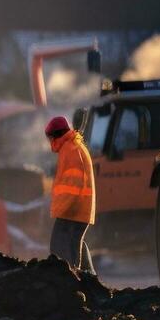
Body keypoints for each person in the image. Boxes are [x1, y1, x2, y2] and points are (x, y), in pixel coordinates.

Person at [44, 115, 96, 274]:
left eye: (50, 138)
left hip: (72, 211)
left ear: (55, 136)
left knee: (60, 249)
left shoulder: (70, 150)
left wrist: (61, 209)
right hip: (78, 211)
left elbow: (73, 186)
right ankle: (85, 280)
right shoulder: (74, 146)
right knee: (73, 247)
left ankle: (73, 283)